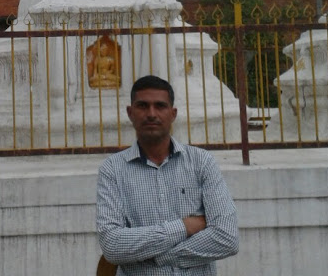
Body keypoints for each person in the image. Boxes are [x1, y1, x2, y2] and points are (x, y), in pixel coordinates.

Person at [96, 75, 239, 275]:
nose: (151, 114)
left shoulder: (201, 162)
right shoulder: (113, 169)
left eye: (160, 106)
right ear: (130, 112)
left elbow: (227, 238)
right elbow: (112, 245)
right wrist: (184, 227)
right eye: (143, 106)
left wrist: (159, 256)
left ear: (173, 114)